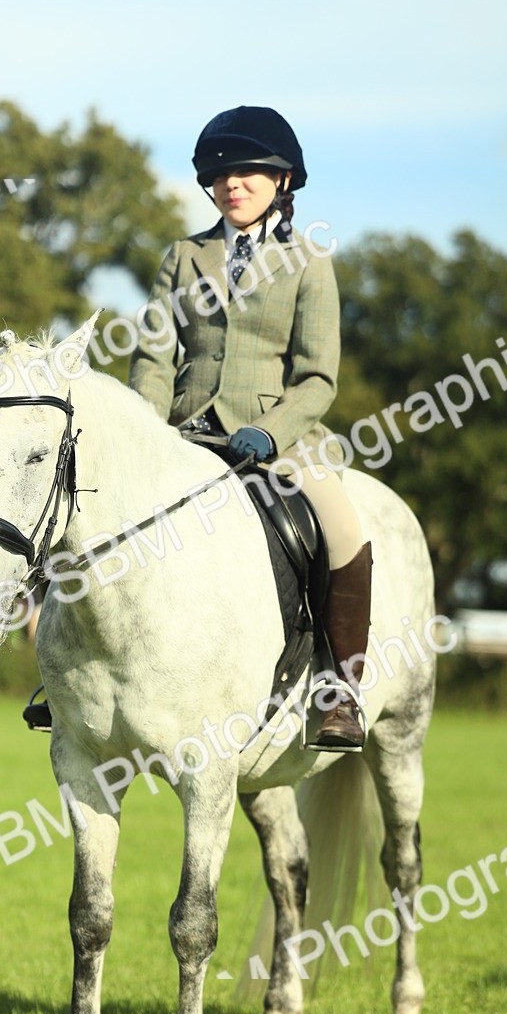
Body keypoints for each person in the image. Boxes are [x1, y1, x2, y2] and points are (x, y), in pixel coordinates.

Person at [128, 106, 372, 749]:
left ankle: (339, 692)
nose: (231, 184)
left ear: (282, 181)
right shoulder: (184, 257)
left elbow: (317, 378)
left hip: (279, 442)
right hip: (185, 432)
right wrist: (146, 434)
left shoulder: (308, 260)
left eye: (247, 172)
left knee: (343, 529)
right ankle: (75, 678)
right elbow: (153, 357)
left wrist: (270, 429)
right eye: (220, 175)